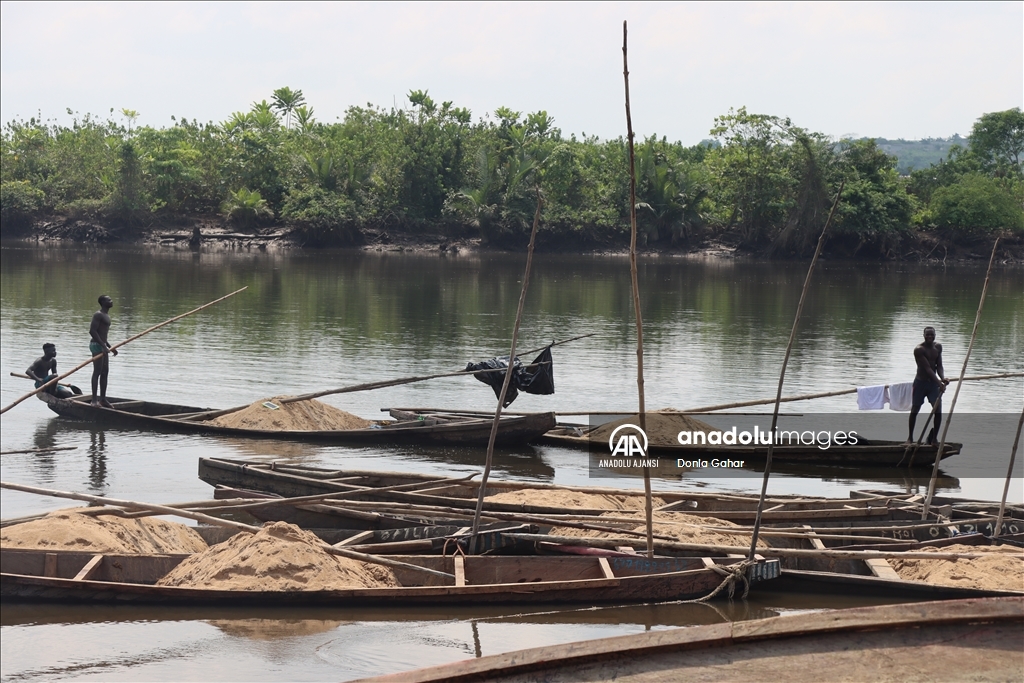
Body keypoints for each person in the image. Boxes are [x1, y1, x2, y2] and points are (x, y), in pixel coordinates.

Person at [907, 326, 949, 445]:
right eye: (927, 335)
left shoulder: (938, 347)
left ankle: (934, 439)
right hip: (920, 383)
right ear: (923, 335)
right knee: (915, 409)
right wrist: (939, 383)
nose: (930, 337)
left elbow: (938, 366)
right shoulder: (919, 350)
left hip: (932, 386)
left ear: (935, 335)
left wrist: (942, 378)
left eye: (932, 335)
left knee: (938, 410)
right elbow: (928, 369)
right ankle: (910, 438)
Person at [89, 294, 118, 408]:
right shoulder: (98, 315)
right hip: (96, 345)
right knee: (97, 372)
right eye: (109, 300)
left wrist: (110, 347)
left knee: (105, 372)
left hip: (103, 345)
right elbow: (92, 331)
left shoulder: (106, 315)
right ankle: (94, 400)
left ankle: (103, 399)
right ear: (103, 303)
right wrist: (102, 345)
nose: (111, 301)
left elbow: (103, 335)